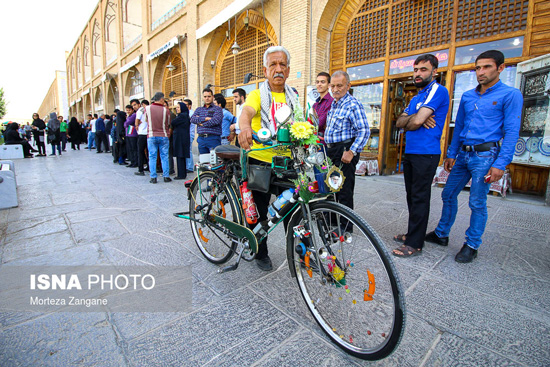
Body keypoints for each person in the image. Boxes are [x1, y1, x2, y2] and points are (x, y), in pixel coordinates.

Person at [425, 50, 523, 263]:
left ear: (500, 68)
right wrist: (451, 153)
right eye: (478, 67)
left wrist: (501, 164)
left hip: (486, 156)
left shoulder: (510, 95)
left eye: (487, 67)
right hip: (463, 155)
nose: (481, 72)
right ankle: (442, 234)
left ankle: (472, 244)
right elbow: (459, 125)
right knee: (448, 194)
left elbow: (512, 131)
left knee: (477, 202)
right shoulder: (468, 96)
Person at [238, 45, 303, 271]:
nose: (278, 69)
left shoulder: (293, 96)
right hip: (261, 161)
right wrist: (244, 128)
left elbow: (301, 122)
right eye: (273, 65)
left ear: (288, 70)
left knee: (293, 210)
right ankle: (260, 251)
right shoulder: (257, 95)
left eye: (282, 64)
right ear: (265, 71)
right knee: (258, 210)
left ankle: (298, 251)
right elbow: (246, 113)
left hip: (288, 161)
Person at [391, 54, 450, 258]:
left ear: (434, 71)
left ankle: (415, 244)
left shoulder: (438, 90)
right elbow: (399, 122)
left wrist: (415, 120)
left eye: (423, 70)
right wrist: (415, 118)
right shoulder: (416, 97)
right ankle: (412, 234)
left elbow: (414, 123)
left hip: (427, 153)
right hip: (412, 152)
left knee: (420, 197)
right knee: (411, 196)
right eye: (415, 70)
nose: (417, 74)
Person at [324, 71, 370, 220]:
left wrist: (352, 151)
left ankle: (345, 226)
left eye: (339, 86)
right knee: (331, 188)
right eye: (332, 86)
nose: (335, 89)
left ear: (348, 86)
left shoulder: (353, 104)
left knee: (344, 190)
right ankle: (331, 223)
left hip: (344, 150)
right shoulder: (334, 104)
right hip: (331, 151)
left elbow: (364, 130)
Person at [145, 92, 172, 183]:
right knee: (164, 156)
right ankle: (166, 176)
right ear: (161, 99)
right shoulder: (166, 110)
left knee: (152, 156)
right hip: (163, 135)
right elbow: (168, 123)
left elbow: (146, 120)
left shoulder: (147, 108)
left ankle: (153, 177)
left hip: (152, 135)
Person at [190, 88, 223, 154]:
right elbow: (192, 119)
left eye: (209, 96)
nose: (207, 98)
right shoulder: (199, 109)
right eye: (205, 97)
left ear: (213, 97)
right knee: (203, 162)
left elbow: (216, 120)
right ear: (203, 97)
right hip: (201, 139)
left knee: (214, 162)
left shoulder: (217, 109)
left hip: (213, 139)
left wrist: (202, 124)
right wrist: (205, 119)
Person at [171, 101, 191, 180]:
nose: (177, 109)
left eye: (178, 107)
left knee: (180, 155)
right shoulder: (184, 115)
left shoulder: (182, 116)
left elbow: (173, 122)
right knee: (180, 156)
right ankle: (182, 173)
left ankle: (181, 174)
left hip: (181, 139)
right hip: (181, 138)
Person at [313, 72, 333, 143]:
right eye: (317, 82)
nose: (319, 84)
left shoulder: (331, 102)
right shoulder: (315, 104)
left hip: (323, 144)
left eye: (322, 82)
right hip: (313, 142)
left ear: (329, 85)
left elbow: (320, 123)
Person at [135, 100, 150, 176]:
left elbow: (136, 121)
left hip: (142, 134)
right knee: (149, 152)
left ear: (142, 104)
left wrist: (137, 125)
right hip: (149, 133)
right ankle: (150, 167)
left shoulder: (140, 110)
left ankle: (140, 169)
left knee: (140, 152)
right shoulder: (150, 109)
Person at [125, 102, 139, 167]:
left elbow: (127, 123)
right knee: (131, 149)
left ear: (132, 110)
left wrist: (126, 123)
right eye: (127, 110)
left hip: (133, 134)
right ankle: (132, 161)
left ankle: (135, 162)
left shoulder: (133, 115)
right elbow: (125, 124)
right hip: (129, 134)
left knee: (134, 149)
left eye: (129, 110)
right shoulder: (129, 116)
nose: (128, 111)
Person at [184, 98, 195, 172]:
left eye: (185, 105)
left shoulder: (190, 113)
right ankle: (189, 166)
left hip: (189, 134)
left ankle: (190, 167)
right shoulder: (187, 113)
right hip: (187, 134)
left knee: (189, 151)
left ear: (189, 105)